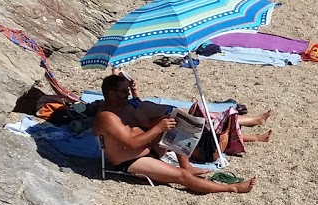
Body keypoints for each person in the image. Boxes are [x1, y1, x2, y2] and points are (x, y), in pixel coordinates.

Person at [91, 75, 256, 195]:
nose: (127, 94)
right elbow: (130, 144)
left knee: (171, 120)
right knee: (182, 177)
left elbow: (145, 122)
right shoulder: (107, 117)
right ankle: (233, 188)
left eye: (127, 90)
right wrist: (158, 128)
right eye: (123, 91)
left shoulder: (126, 107)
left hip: (149, 149)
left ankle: (186, 164)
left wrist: (166, 121)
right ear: (111, 94)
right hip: (132, 160)